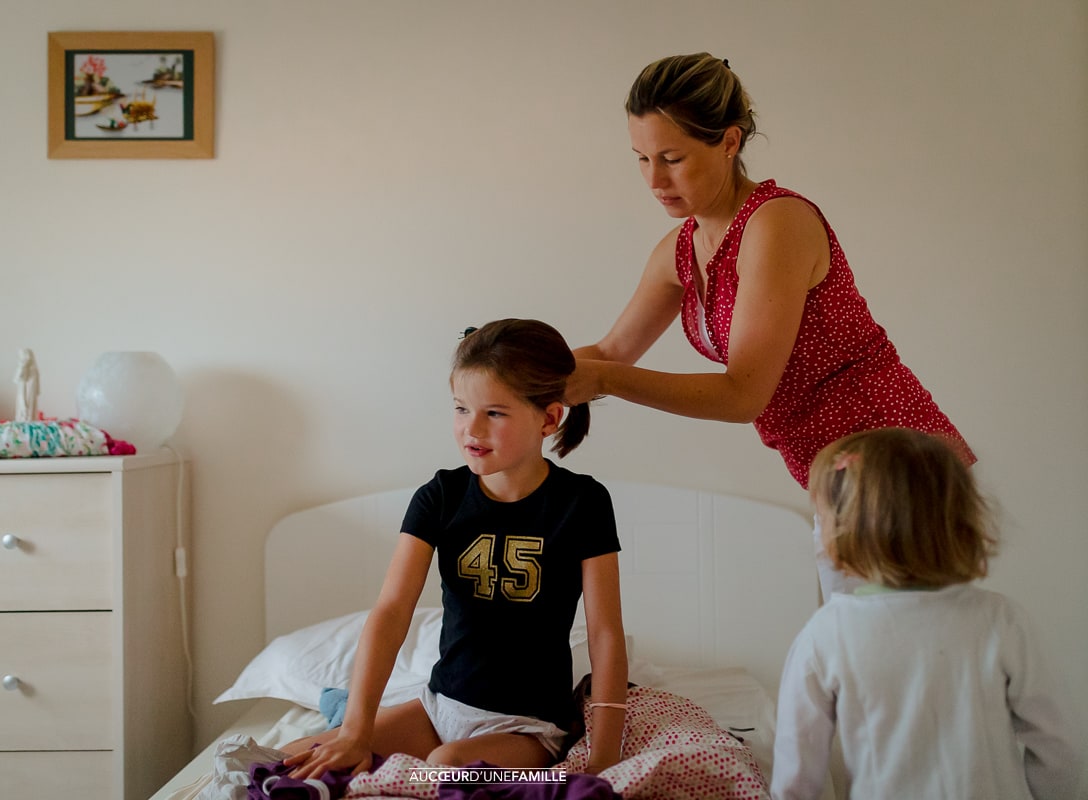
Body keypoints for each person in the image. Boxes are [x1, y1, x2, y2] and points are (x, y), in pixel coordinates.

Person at [565, 53, 974, 600]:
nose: (654, 179)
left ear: (729, 142)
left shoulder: (776, 223)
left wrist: (603, 381)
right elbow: (611, 351)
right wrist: (516, 375)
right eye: (641, 158)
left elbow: (744, 394)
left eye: (672, 157)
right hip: (835, 479)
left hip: (903, 470)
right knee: (857, 657)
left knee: (899, 664)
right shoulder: (680, 251)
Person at [281, 318, 629, 780]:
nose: (472, 429)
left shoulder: (582, 503)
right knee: (289, 759)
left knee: (446, 767)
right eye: (461, 409)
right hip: (439, 706)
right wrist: (356, 730)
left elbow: (604, 632)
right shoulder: (440, 497)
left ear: (548, 418)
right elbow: (390, 611)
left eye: (495, 413)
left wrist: (603, 758)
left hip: (525, 726)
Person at [771, 427, 1083, 800]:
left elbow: (797, 773)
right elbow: (1059, 745)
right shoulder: (1001, 619)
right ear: (959, 522)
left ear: (842, 533)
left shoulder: (826, 633)